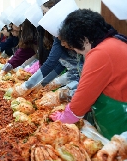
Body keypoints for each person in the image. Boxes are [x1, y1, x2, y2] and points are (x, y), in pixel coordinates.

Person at [50, 9, 127, 139]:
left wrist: (64, 118)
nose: (76, 51)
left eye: (74, 46)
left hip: (119, 120)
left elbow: (82, 100)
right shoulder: (114, 42)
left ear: (84, 39)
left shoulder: (100, 53)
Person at [12, 0, 83, 99]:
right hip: (74, 81)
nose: (44, 16)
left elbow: (53, 63)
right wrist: (46, 83)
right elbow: (63, 63)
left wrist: (29, 85)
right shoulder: (57, 37)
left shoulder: (86, 44)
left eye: (45, 13)